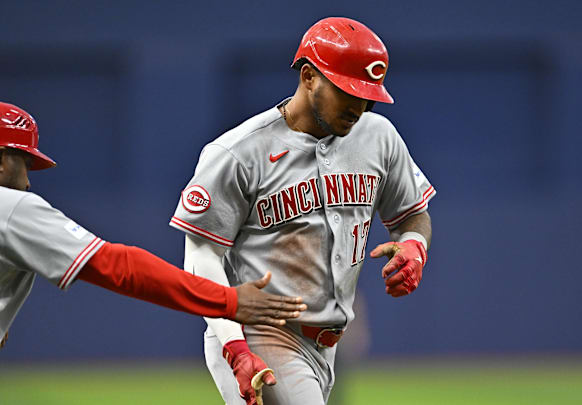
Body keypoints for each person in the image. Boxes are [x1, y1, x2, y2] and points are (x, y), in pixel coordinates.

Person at [170, 17, 435, 405]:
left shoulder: (379, 137)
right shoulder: (238, 152)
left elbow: (412, 214)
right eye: (347, 91)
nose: (358, 106)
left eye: (367, 95)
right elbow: (201, 253)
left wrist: (414, 246)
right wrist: (234, 347)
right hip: (260, 333)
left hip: (329, 343)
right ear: (309, 76)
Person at [0, 101, 307, 351]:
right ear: (2, 160)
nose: (27, 181)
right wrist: (228, 300)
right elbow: (119, 267)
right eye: (24, 163)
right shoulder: (10, 206)